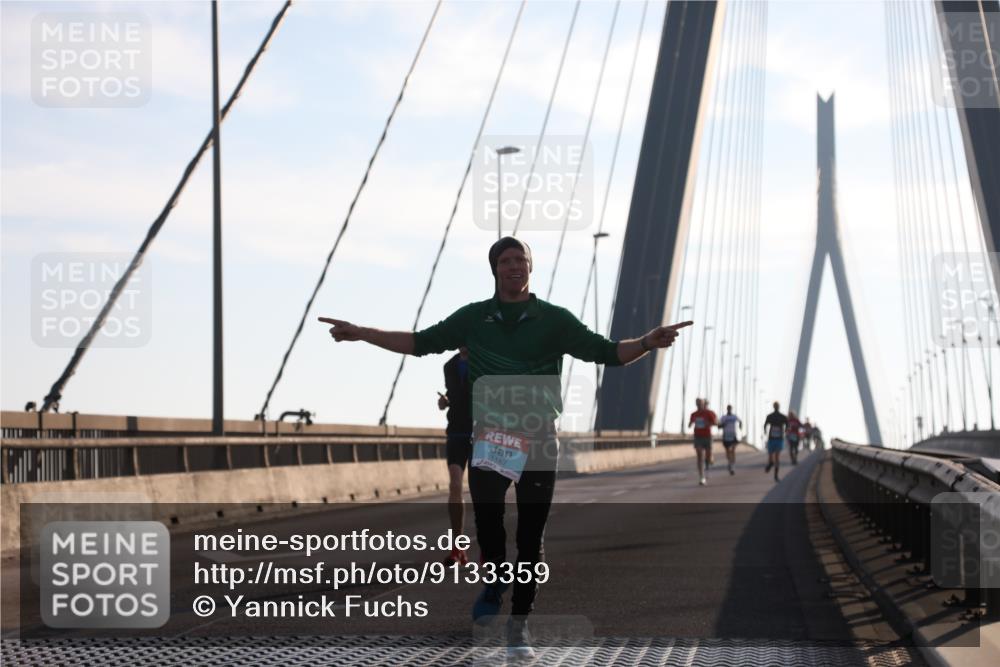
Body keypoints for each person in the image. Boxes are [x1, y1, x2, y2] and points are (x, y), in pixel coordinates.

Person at [319, 236, 691, 660]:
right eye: (506, 260)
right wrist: (361, 334)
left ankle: (519, 626)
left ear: (531, 268)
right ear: (495, 269)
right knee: (490, 522)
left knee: (530, 538)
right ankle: (495, 580)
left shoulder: (555, 320)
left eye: (522, 260)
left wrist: (646, 342)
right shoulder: (474, 318)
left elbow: (606, 353)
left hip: (539, 439)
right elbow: (420, 342)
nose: (515, 266)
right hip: (492, 437)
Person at [437, 347, 472, 566]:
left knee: (483, 491)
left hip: (482, 431)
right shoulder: (449, 365)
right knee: (455, 485)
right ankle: (457, 547)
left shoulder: (485, 360)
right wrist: (445, 401)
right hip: (457, 431)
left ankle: (489, 548)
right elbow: (452, 393)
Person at [688, 398, 717, 486]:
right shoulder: (694, 414)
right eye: (697, 403)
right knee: (699, 455)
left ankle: (708, 462)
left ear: (703, 404)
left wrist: (709, 423)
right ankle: (702, 477)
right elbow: (690, 423)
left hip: (707, 436)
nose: (699, 405)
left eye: (700, 403)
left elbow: (715, 423)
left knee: (708, 456)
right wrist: (690, 424)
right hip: (698, 437)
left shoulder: (709, 413)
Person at [763, 402, 787, 482]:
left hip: (775, 439)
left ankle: (775, 474)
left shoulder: (772, 416)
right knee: (774, 458)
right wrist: (785, 430)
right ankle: (772, 469)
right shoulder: (780, 416)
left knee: (774, 457)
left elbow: (765, 425)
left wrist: (765, 431)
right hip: (776, 439)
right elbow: (765, 424)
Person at [718, 404, 742, 475]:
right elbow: (719, 426)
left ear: (731, 409)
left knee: (733, 450)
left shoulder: (734, 416)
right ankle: (729, 462)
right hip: (726, 436)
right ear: (727, 409)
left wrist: (740, 427)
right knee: (728, 451)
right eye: (728, 408)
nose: (729, 409)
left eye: (730, 408)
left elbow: (740, 421)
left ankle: (732, 466)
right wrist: (723, 425)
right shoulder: (723, 417)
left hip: (733, 436)